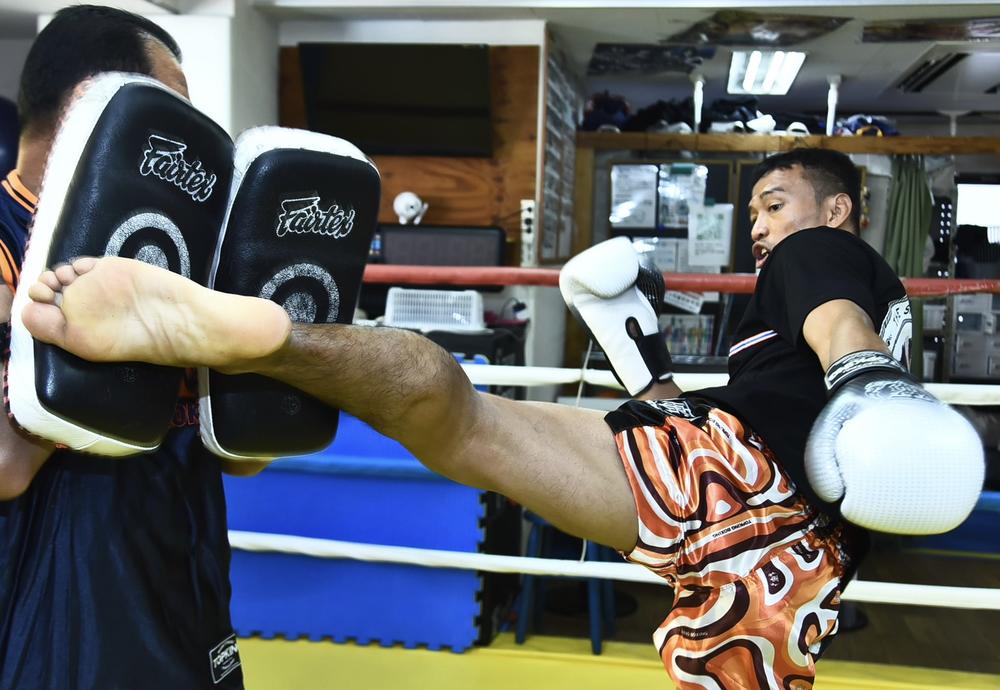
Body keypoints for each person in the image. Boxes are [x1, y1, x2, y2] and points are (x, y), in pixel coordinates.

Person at [19, 141, 983, 690]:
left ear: (838, 211)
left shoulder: (821, 256)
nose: (763, 228)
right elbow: (762, 409)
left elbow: (837, 325)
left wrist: (867, 383)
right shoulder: (859, 287)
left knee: (466, 422)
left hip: (750, 496)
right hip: (786, 548)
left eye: (776, 204)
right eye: (758, 213)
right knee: (468, 423)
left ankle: (275, 337)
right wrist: (643, 360)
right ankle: (267, 339)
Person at [0, 6, 265, 689]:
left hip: (188, 593)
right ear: (92, 105)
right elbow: (5, 466)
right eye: (166, 111)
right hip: (56, 624)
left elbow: (244, 457)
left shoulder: (174, 250)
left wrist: (271, 343)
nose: (185, 140)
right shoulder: (4, 240)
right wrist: (84, 324)